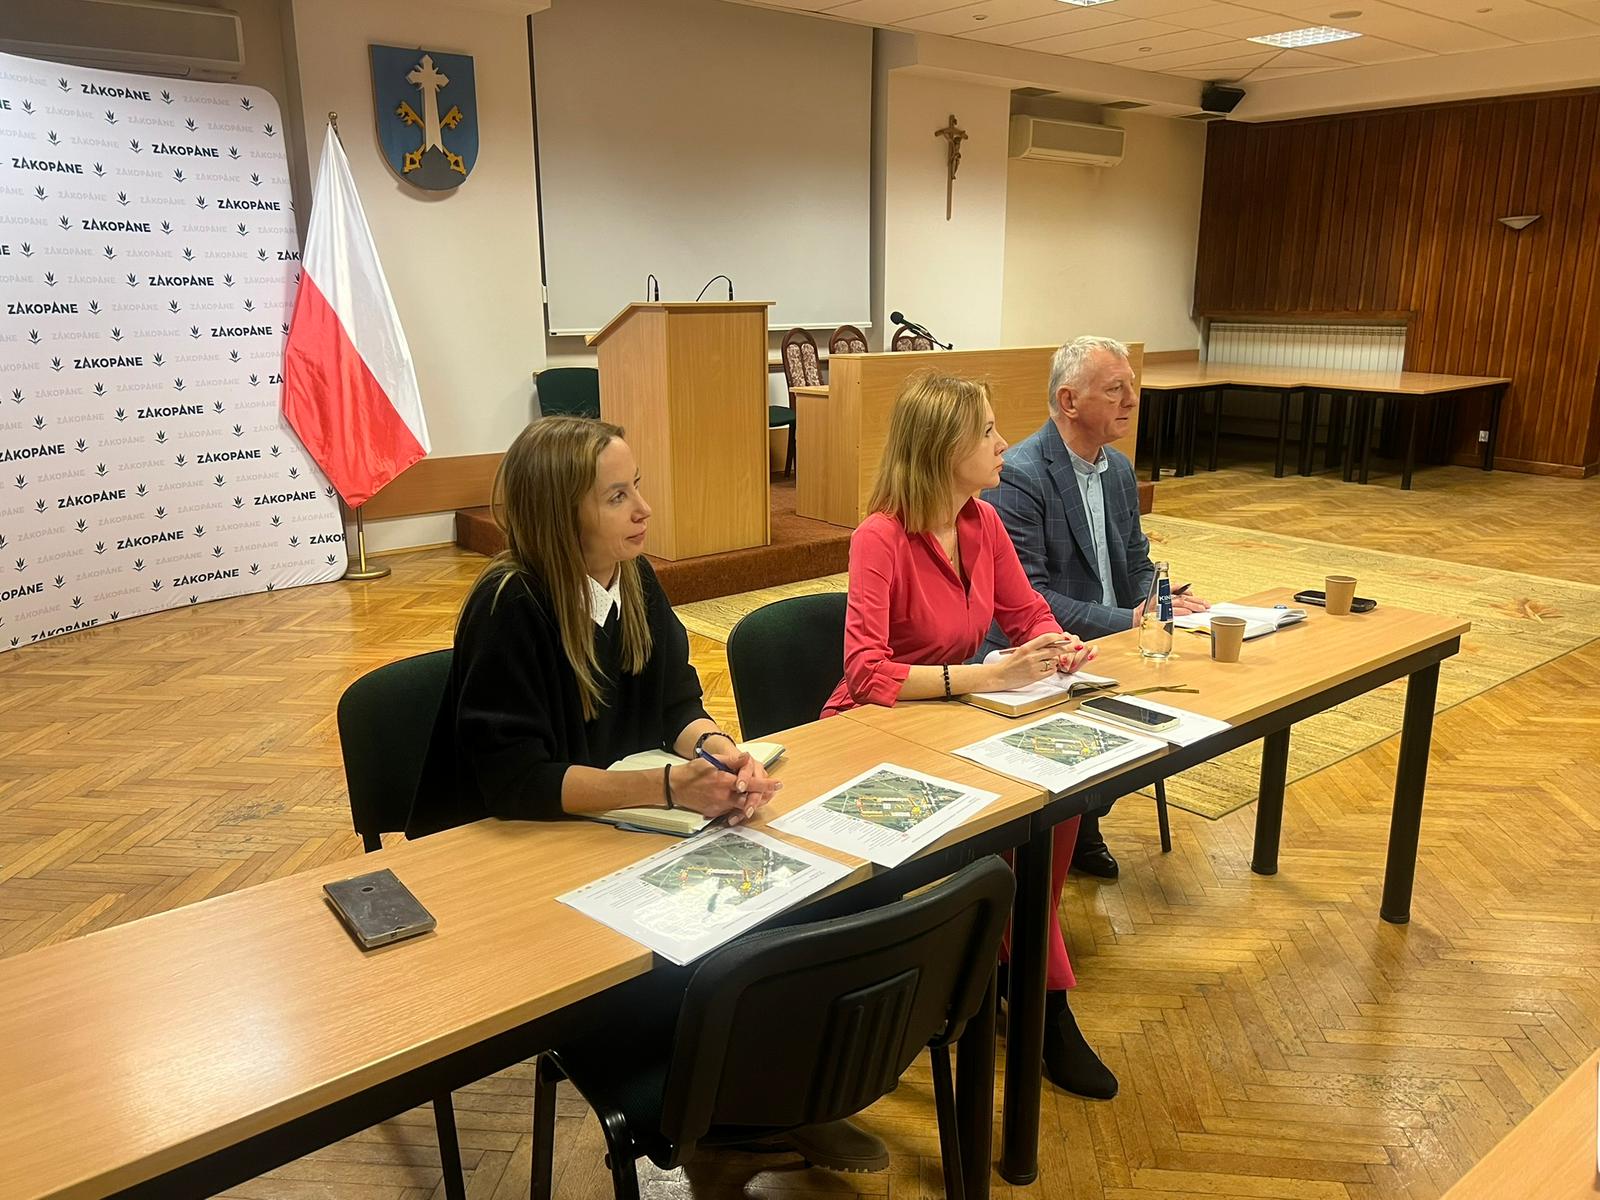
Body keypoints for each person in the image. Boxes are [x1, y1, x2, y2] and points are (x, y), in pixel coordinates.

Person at [406, 417, 887, 1173]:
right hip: (510, 851)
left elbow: (675, 705)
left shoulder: (631, 577)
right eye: (616, 497)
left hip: (607, 830)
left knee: (782, 910)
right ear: (560, 513)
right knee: (701, 957)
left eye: (637, 488)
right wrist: (670, 785)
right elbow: (517, 781)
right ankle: (729, 1114)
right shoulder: (509, 603)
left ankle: (772, 1101)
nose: (643, 510)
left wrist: (719, 752)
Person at [822, 372, 1119, 1100]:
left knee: (1057, 804)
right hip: (875, 730)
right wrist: (985, 676)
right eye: (987, 431)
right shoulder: (880, 537)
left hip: (953, 718)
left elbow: (1027, 614)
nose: (1003, 443)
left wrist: (1056, 645)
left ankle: (1015, 970)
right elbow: (866, 673)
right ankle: (1045, 1004)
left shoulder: (981, 523)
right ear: (942, 447)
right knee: (1015, 823)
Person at [984, 336, 1209, 880]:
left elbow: (1136, 563)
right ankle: (1072, 821)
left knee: (1194, 700)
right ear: (1069, 401)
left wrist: (1161, 599)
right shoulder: (1020, 474)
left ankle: (1085, 813)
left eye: (1131, 387)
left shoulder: (1120, 470)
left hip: (1113, 642)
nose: (1131, 400)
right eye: (1115, 390)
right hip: (1041, 650)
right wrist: (1129, 620)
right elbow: (1030, 597)